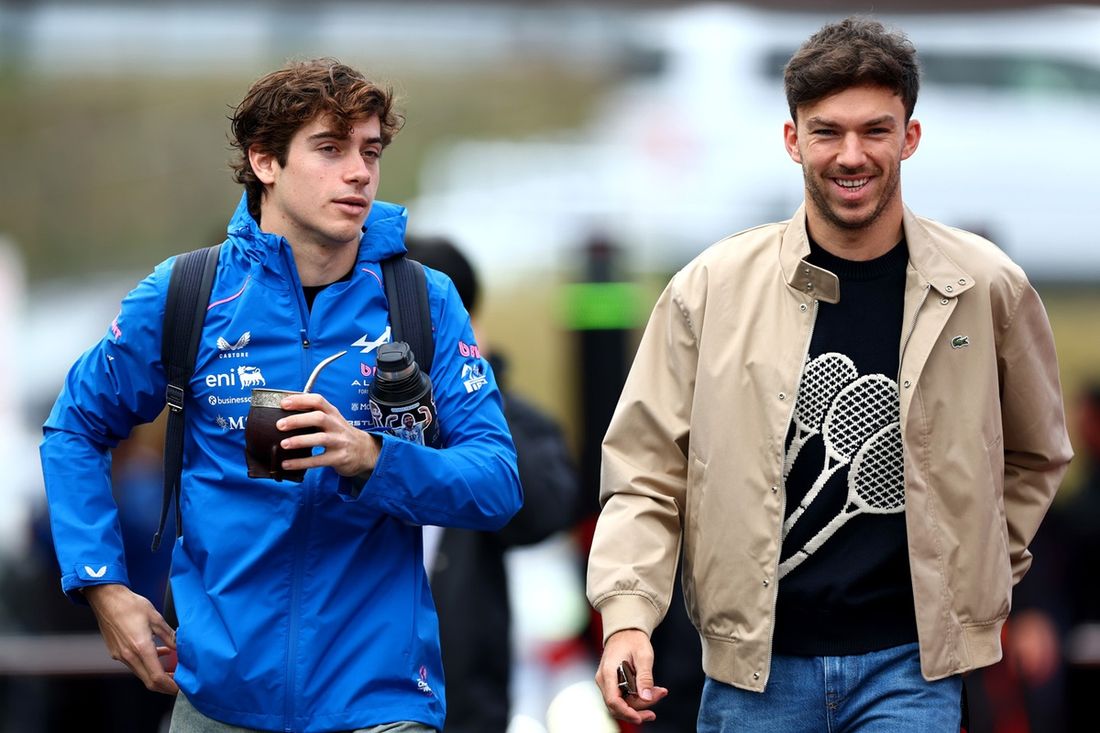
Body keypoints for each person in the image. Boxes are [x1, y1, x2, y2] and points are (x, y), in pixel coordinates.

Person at [585, 16, 1073, 732]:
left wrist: (977, 570)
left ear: (910, 136)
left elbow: (1037, 452)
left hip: (910, 671)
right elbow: (645, 470)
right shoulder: (710, 289)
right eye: (827, 132)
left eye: (875, 130)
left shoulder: (987, 286)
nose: (852, 154)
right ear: (793, 140)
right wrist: (627, 618)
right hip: (753, 674)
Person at [39, 58, 522, 733]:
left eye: (370, 152)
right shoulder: (187, 292)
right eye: (330, 149)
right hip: (219, 700)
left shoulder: (424, 298)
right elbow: (74, 428)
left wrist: (371, 457)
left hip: (380, 703)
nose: (359, 172)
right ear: (264, 161)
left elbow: (497, 483)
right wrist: (101, 584)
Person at [403, 235, 584, 733]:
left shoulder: (510, 418)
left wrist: (472, 381)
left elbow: (544, 511)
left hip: (466, 707)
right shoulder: (345, 408)